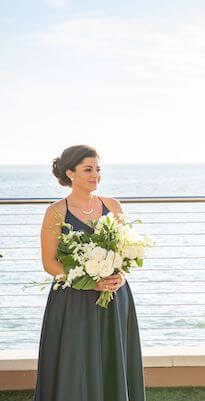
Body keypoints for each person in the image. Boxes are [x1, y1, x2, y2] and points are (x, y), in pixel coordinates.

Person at [34, 145, 145, 401]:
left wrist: (122, 275)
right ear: (70, 173)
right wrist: (87, 282)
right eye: (88, 169)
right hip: (72, 302)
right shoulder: (56, 212)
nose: (95, 174)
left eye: (97, 169)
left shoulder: (113, 206)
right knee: (75, 366)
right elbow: (50, 263)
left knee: (112, 359)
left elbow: (124, 251)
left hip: (114, 297)